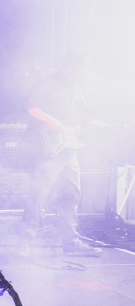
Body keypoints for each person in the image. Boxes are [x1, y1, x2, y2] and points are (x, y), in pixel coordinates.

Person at [22, 50, 103, 255]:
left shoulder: (75, 88)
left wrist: (113, 126)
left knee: (71, 194)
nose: (86, 70)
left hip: (69, 149)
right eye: (83, 66)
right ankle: (24, 241)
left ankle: (70, 242)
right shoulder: (49, 83)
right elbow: (31, 107)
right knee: (39, 194)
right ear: (70, 66)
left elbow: (85, 119)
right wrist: (56, 123)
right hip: (49, 147)